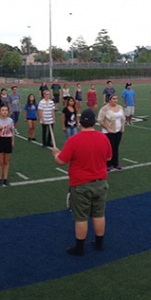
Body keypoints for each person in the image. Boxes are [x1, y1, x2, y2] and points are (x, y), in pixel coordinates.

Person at [52, 109, 112, 256]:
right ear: (94, 122)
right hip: (100, 182)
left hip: (80, 185)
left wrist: (55, 153)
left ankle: (79, 248)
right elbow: (108, 158)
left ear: (80, 123)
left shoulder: (74, 140)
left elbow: (61, 161)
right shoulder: (103, 138)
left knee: (81, 217)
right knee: (99, 214)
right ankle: (99, 243)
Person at [98, 94, 125, 171]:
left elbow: (123, 118)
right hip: (109, 132)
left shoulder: (120, 107)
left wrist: (122, 128)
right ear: (109, 100)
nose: (115, 100)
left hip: (118, 131)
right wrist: (107, 128)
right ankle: (107, 164)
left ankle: (115, 163)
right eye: (113, 99)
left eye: (116, 99)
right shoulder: (105, 109)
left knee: (116, 147)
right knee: (109, 148)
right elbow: (100, 120)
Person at [0, 105, 15, 187]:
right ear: (0, 111)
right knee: (0, 161)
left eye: (6, 110)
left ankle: (5, 179)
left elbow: (12, 131)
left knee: (6, 161)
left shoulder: (10, 120)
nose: (5, 112)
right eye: (3, 110)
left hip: (8, 140)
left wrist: (12, 141)